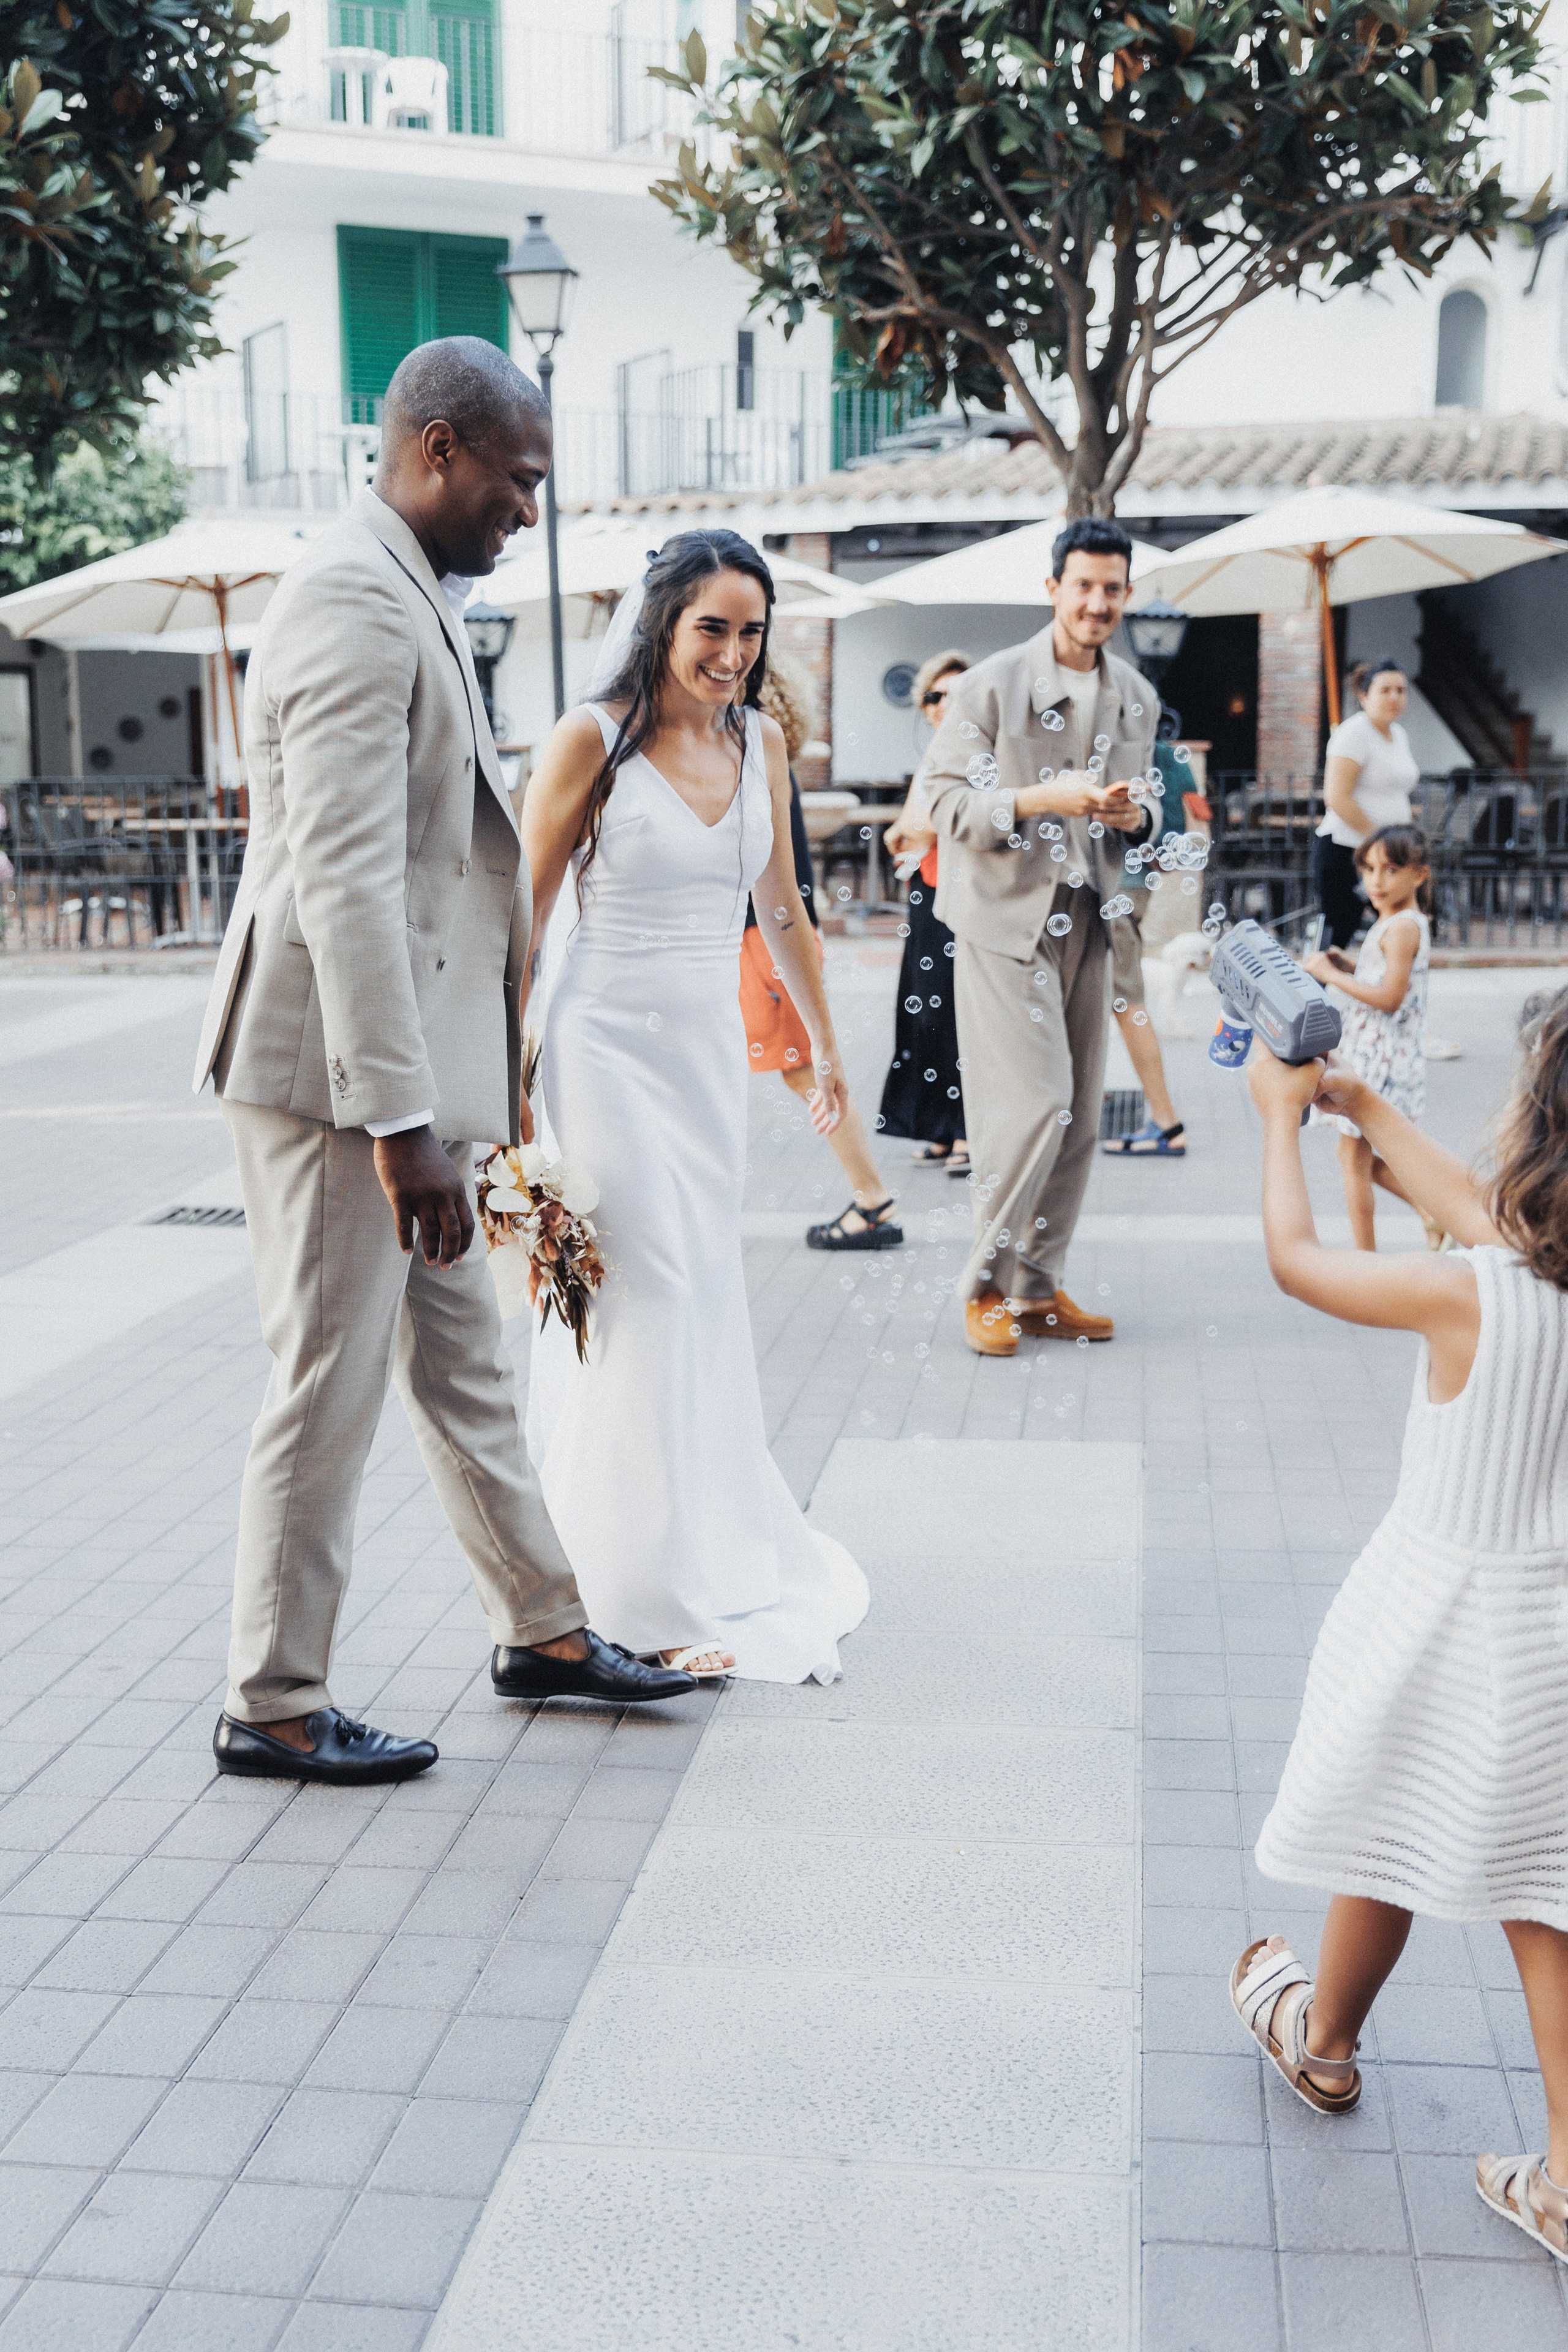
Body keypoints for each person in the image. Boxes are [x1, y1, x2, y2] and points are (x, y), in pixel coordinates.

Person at [190, 337, 697, 1788]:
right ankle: (273, 1699)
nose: (528, 511)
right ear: (435, 446)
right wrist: (400, 1124)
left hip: (402, 1074)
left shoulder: (404, 586)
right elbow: (345, 883)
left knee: (465, 1363)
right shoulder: (353, 597)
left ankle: (540, 1628)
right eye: (518, 480)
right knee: (327, 1382)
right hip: (337, 1084)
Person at [1232, 1012, 1568, 2267]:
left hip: (1447, 1622)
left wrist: (1277, 1117)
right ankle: (1558, 2178)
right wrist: (1362, 1112)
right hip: (1553, 1634)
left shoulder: (1471, 1293)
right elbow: (1487, 1222)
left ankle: (1322, 2045)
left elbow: (1295, 1262)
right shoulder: (1514, 1274)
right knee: (1546, 1897)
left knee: (1383, 1815)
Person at [519, 530, 870, 1683]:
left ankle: (684, 1549)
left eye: (751, 631)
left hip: (706, 1056)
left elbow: (786, 910)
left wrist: (823, 1049)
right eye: (712, 628)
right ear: (665, 621)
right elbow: (518, 917)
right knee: (646, 1294)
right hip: (602, 1045)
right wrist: (505, 1081)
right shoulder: (592, 739)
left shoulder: (759, 740)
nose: (731, 653)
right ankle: (625, 1596)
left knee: (700, 1292)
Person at [914, 517, 1158, 1359]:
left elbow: (1151, 805)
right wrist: (1039, 799)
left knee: (1081, 1112)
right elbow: (941, 808)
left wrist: (1136, 812)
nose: (1097, 602)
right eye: (1083, 585)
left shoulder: (1136, 694)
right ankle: (984, 1285)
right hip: (1002, 923)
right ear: (1053, 588)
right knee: (1034, 1103)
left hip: (1090, 918)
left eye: (1113, 588)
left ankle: (1038, 1289)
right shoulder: (987, 688)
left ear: (1128, 595)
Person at [742, 650, 902, 1253]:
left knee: (806, 1069)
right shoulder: (750, 738)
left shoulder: (750, 743)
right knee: (802, 1069)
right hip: (767, 935)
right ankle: (873, 1198)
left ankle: (873, 1200)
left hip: (762, 938)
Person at [1306, 824, 1431, 1251]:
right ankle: (1435, 1215)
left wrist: (1328, 977)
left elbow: (1390, 998)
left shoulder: (1402, 928)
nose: (1376, 881)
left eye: (1391, 870)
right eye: (1369, 870)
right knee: (1366, 1160)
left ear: (1419, 875)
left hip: (1379, 1059)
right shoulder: (1395, 923)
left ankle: (1367, 1258)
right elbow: (1380, 979)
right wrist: (1346, 968)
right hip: (1380, 1054)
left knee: (1353, 1163)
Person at [878, 649, 970, 1178]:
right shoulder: (937, 751)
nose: (942, 706)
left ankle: (965, 1130)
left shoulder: (976, 751)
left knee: (955, 1012)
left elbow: (936, 822)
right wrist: (902, 832)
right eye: (935, 697)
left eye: (955, 695)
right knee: (921, 1014)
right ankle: (935, 1127)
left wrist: (909, 831)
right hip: (926, 888)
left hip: (960, 894)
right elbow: (910, 826)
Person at [1101, 707, 1188, 1159]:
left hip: (1114, 888)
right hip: (1130, 888)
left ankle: (1166, 1120)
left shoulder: (1130, 755)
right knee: (1119, 1001)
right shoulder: (1159, 755)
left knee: (1126, 1002)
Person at [1311, 659, 1418, 951]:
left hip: (1388, 856)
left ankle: (1382, 991)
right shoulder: (1354, 733)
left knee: (1395, 929)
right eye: (1385, 690)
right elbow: (1337, 798)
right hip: (1347, 849)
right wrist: (1378, 842)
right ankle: (1314, 994)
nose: (1395, 697)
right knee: (1338, 935)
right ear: (1364, 696)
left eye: (1401, 690)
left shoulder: (1399, 735)